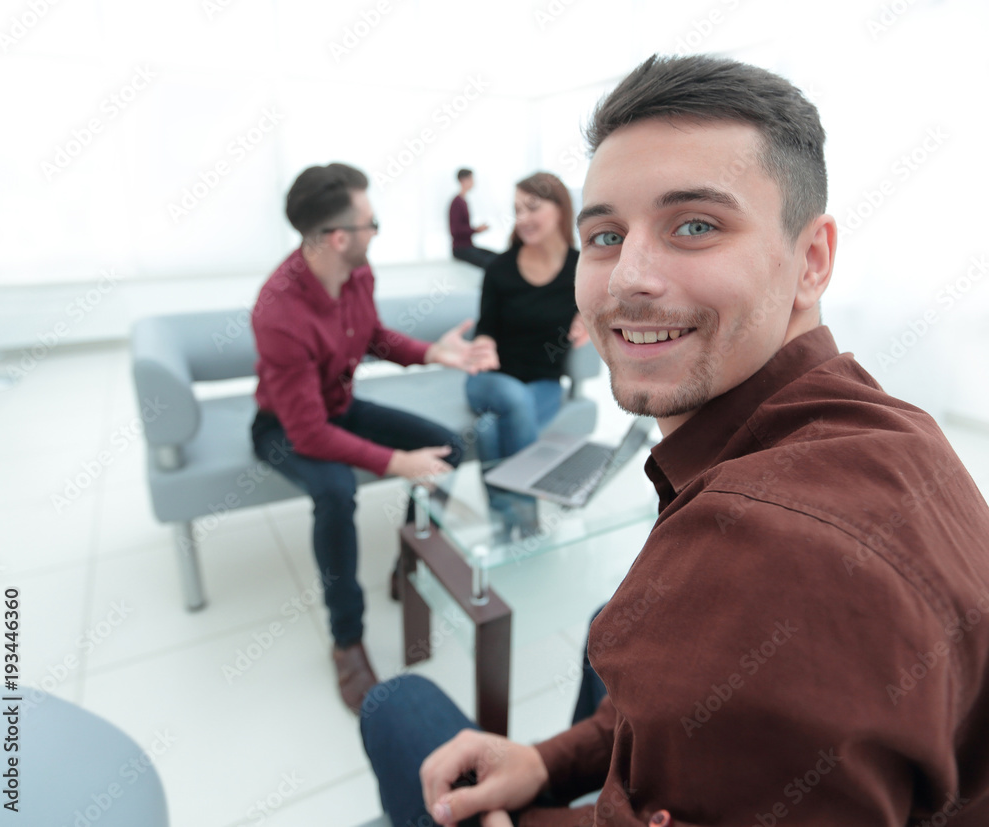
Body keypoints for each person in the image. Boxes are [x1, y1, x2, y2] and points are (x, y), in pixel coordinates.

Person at [359, 55, 989, 826]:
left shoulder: (766, 566)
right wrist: (551, 758)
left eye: (695, 226)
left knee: (396, 704)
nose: (628, 277)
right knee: (610, 620)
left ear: (812, 259)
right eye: (605, 235)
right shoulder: (898, 425)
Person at [250, 163, 498, 713]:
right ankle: (347, 640)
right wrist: (395, 462)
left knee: (448, 446)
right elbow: (307, 432)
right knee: (336, 491)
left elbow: (373, 337)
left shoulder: (357, 273)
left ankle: (407, 565)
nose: (376, 231)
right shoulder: (279, 311)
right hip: (284, 427)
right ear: (339, 237)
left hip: (339, 406)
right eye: (371, 223)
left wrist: (433, 353)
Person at [464, 172, 589, 534]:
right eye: (517, 210)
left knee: (489, 430)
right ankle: (529, 521)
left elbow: (611, 304)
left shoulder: (581, 267)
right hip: (490, 379)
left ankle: (504, 524)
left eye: (532, 207)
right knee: (513, 399)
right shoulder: (499, 268)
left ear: (560, 209)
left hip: (544, 383)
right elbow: (486, 326)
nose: (522, 218)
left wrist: (588, 315)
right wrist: (484, 343)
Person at [450, 168, 497, 269]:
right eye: (471, 179)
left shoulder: (463, 201)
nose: (473, 182)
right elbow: (455, 230)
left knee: (498, 257)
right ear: (463, 180)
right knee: (491, 262)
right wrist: (476, 230)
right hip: (461, 249)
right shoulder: (457, 202)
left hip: (468, 246)